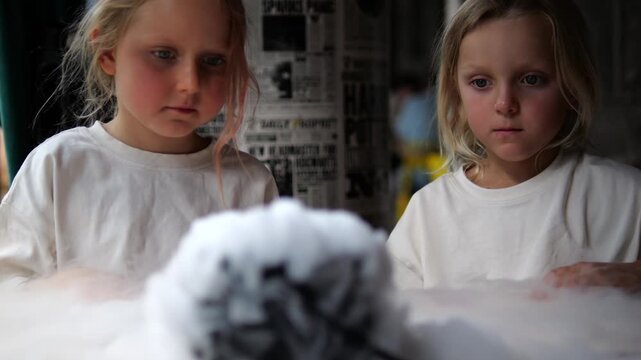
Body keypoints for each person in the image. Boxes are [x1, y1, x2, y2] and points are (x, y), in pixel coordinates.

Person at [0, 0, 278, 285]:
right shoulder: (56, 166)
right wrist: (63, 291)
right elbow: (8, 290)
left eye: (213, 60)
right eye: (163, 54)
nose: (190, 83)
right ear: (108, 54)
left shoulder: (250, 184)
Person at [387, 0, 641, 291]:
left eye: (531, 79)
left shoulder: (627, 198)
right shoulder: (428, 213)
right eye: (481, 82)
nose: (505, 104)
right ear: (456, 92)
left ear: (573, 83)